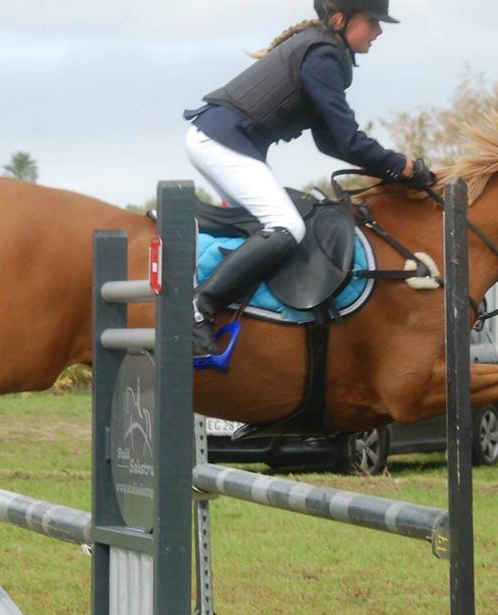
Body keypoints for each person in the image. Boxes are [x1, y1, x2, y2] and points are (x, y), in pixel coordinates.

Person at [183, 0, 436, 356]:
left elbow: (330, 140)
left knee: (268, 227)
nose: (378, 31)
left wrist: (392, 168)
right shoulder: (323, 55)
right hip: (222, 142)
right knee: (288, 226)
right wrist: (403, 167)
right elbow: (347, 140)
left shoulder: (323, 50)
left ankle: (243, 313)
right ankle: (199, 306)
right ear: (340, 19)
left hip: (219, 139)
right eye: (373, 21)